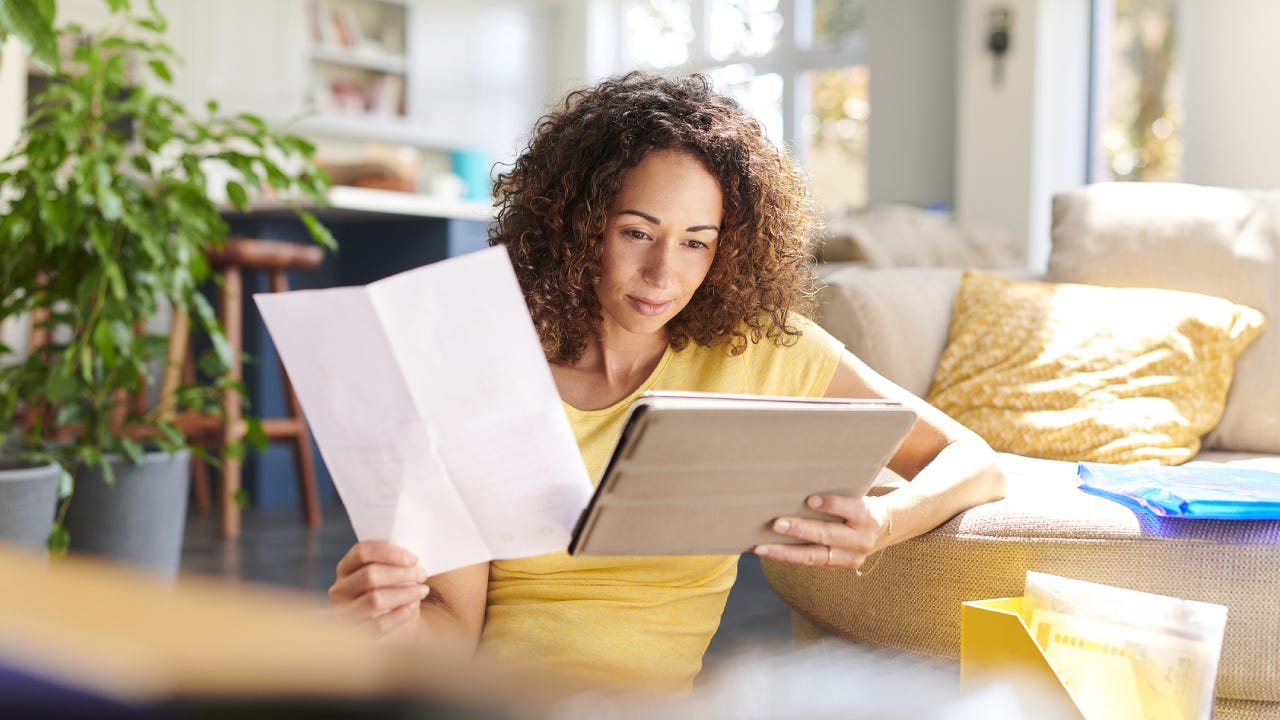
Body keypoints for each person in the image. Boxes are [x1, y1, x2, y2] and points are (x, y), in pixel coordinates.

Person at [328, 72, 1006, 692]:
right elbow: (454, 635)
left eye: (695, 242)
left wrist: (885, 521)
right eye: (637, 232)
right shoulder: (485, 364)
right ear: (578, 223)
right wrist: (392, 621)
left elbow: (973, 461)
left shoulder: (762, 350)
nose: (663, 274)